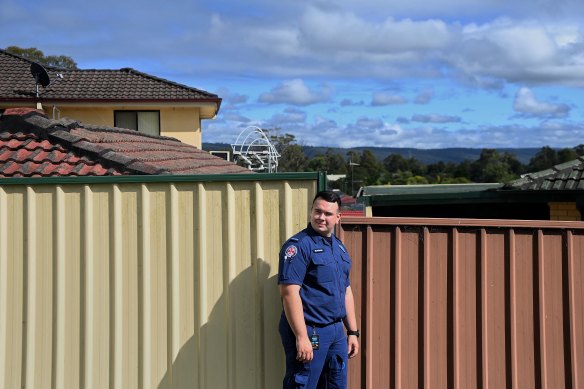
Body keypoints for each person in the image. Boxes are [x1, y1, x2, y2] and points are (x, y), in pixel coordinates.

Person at [278, 190, 359, 389]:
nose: (321, 217)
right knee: (303, 384)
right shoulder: (298, 246)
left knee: (336, 384)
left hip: (336, 331)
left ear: (338, 217)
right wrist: (301, 336)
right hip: (310, 329)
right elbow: (289, 293)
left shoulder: (339, 248)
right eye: (317, 211)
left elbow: (346, 291)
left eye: (328, 214)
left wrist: (353, 332)